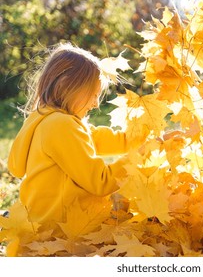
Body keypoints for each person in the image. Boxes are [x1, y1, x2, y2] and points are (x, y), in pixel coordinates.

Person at [7, 43, 130, 225]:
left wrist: (143, 136)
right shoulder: (60, 126)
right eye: (93, 95)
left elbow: (99, 139)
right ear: (67, 85)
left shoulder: (46, 119)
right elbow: (100, 181)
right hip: (61, 231)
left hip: (45, 225)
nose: (96, 104)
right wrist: (137, 158)